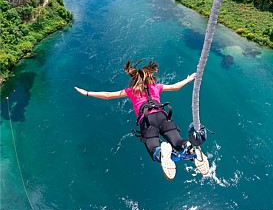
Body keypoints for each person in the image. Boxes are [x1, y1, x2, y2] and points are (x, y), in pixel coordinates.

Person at [74, 59, 209, 180]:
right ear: (149, 77)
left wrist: (87, 93)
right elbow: (176, 86)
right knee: (178, 141)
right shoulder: (156, 87)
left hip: (147, 120)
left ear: (134, 79)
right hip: (163, 116)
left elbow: (108, 95)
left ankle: (162, 152)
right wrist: (189, 79)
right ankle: (190, 148)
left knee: (153, 149)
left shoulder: (131, 91)